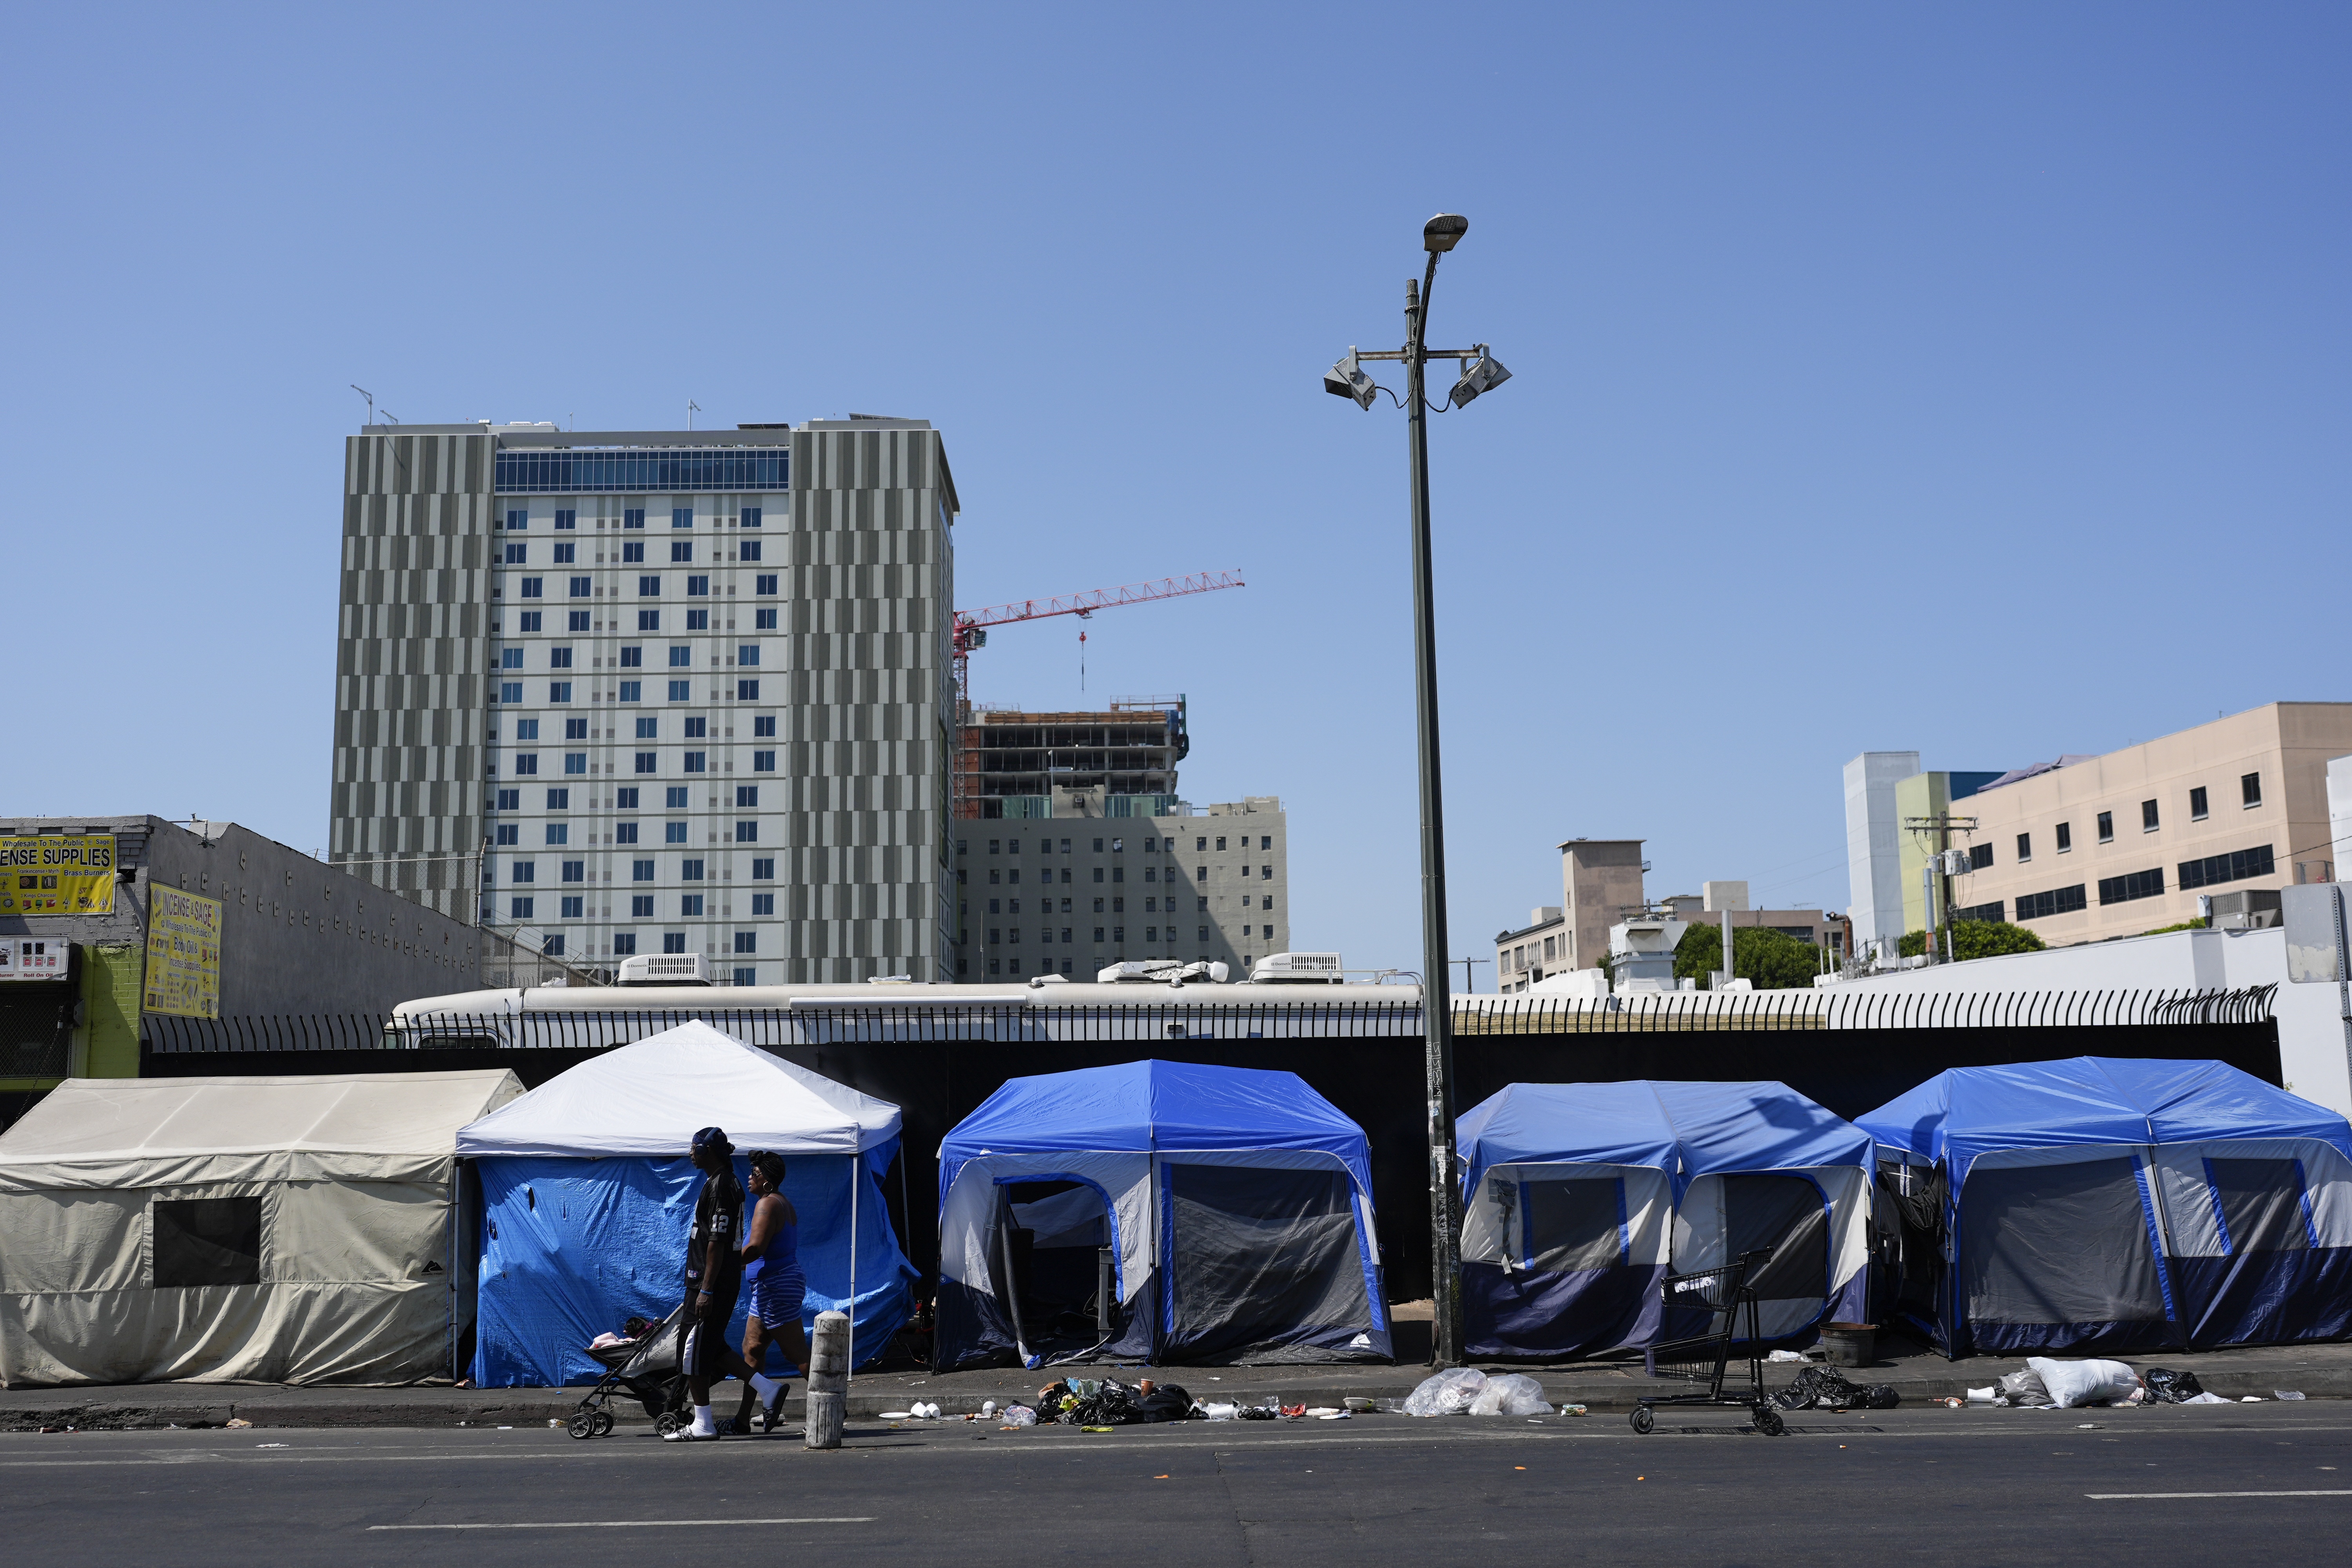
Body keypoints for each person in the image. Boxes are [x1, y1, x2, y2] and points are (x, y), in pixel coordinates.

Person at [666, 1126, 755, 1441]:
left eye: (695, 1147)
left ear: (708, 1151)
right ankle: (768, 1390)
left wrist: (706, 1289)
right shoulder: (719, 1182)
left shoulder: (721, 1186)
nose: (690, 1152)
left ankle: (703, 1423)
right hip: (710, 1281)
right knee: (712, 1347)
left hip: (709, 1284)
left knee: (693, 1350)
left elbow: (717, 1242)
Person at [731, 1150, 808, 1434]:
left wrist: (722, 1264)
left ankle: (834, 1408)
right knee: (752, 1350)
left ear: (767, 1181)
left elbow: (755, 1249)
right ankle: (742, 1420)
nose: (749, 1177)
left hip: (776, 1286)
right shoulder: (780, 1202)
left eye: (755, 1173)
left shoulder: (767, 1205)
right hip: (770, 1285)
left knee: (796, 1354)